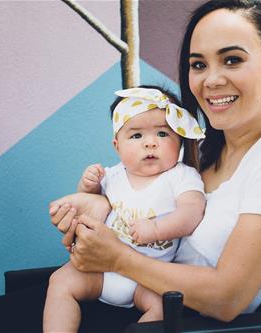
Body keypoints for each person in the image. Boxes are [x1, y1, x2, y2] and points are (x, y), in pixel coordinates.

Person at [0, 0, 261, 331]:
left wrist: (117, 257)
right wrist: (94, 212)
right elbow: (138, 203)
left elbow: (227, 297)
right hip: (120, 294)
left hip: (169, 319)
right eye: (198, 65)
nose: (211, 80)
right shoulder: (208, 149)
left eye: (232, 60)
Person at [43, 86, 206, 332]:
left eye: (162, 134)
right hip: (100, 269)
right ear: (117, 145)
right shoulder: (113, 175)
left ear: (179, 141)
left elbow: (192, 212)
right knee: (59, 282)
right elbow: (92, 209)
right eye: (137, 136)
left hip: (148, 277)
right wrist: (88, 187)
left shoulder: (180, 176)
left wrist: (156, 228)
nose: (150, 143)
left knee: (165, 308)